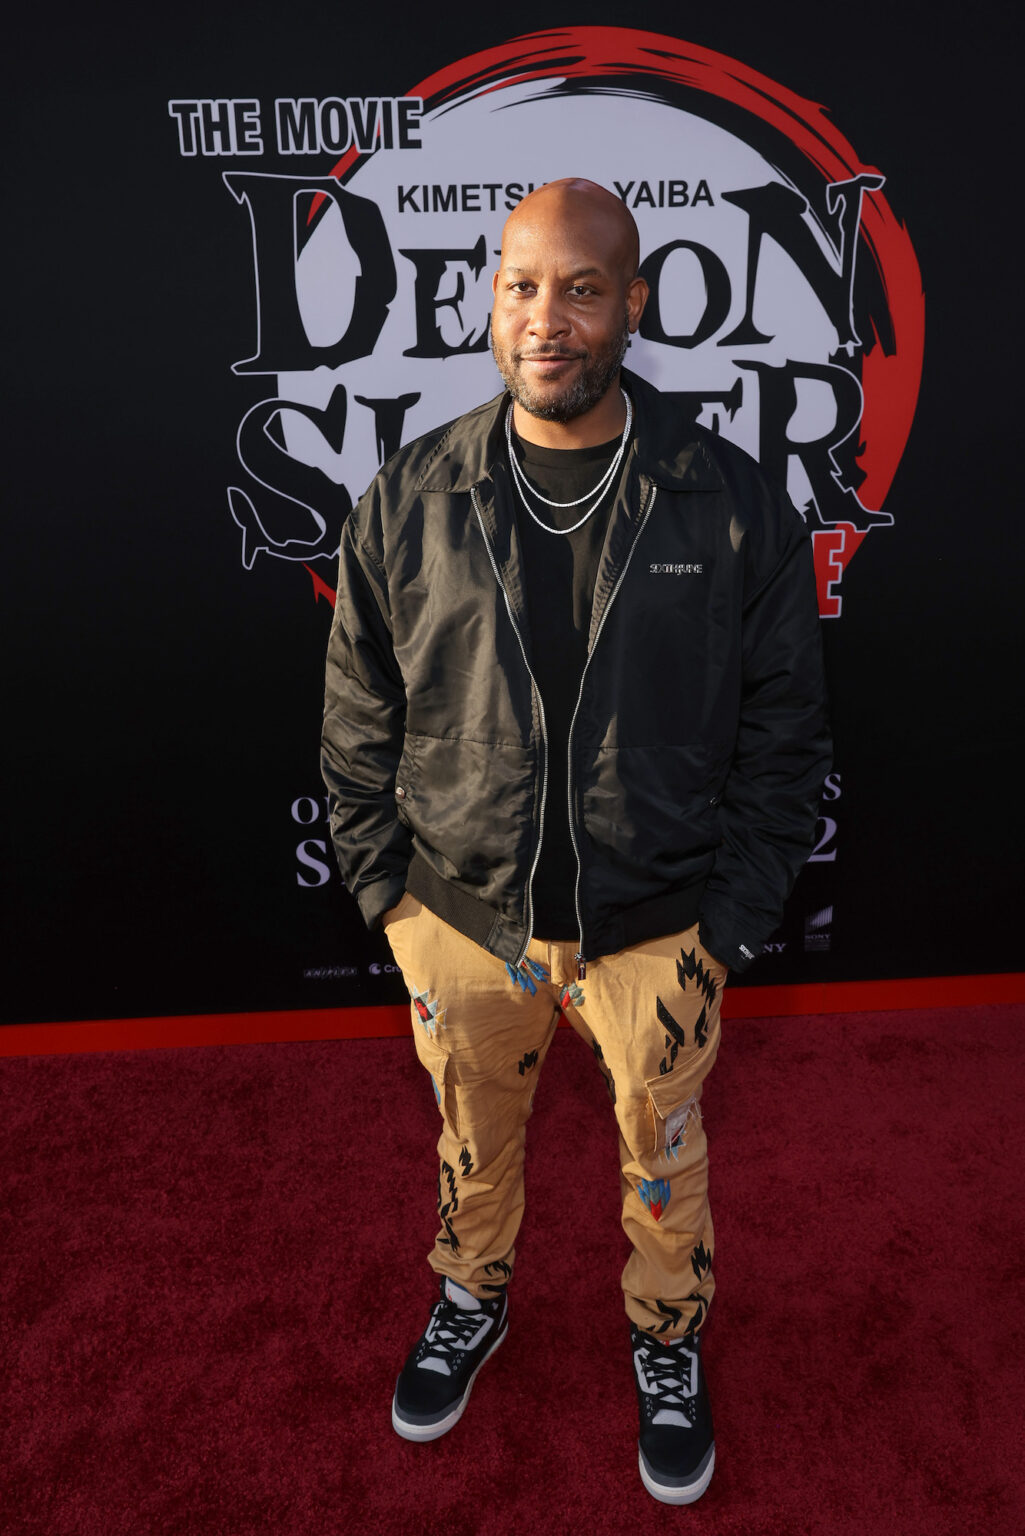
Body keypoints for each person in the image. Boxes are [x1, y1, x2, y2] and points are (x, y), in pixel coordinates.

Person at [321, 178, 830, 1504]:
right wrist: (392, 900)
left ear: (633, 305)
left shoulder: (721, 503)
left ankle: (665, 1338)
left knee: (661, 1161)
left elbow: (786, 738)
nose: (546, 318)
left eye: (581, 288)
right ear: (492, 298)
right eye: (520, 285)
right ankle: (468, 1295)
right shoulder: (415, 493)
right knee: (470, 1143)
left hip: (657, 929)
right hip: (463, 923)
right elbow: (356, 712)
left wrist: (722, 930)